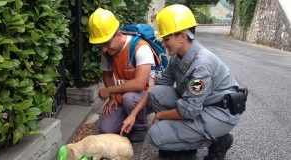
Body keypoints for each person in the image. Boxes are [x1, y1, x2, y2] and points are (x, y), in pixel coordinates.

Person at [146, 4, 245, 160]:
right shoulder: (177, 57)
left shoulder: (202, 65)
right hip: (202, 104)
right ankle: (184, 148)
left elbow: (189, 111)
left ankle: (218, 141)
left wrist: (161, 115)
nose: (163, 44)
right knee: (156, 94)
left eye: (166, 38)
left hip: (219, 112)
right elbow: (160, 84)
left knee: (156, 134)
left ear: (182, 37)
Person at [88, 8, 156, 143]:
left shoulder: (140, 48)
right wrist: (113, 97)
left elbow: (139, 84)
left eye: (106, 44)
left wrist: (110, 90)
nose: (104, 49)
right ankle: (127, 113)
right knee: (106, 128)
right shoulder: (107, 51)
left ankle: (140, 127)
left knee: (129, 98)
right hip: (123, 96)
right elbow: (107, 75)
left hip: (145, 97)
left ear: (119, 34)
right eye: (101, 45)